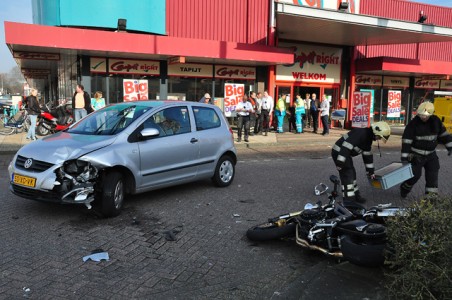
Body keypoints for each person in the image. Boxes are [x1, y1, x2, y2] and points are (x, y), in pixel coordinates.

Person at [400, 102, 452, 198]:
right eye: (421, 115)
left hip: (431, 155)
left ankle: (430, 199)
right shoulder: (412, 124)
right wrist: (404, 158)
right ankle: (404, 188)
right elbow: (406, 142)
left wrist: (450, 146)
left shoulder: (436, 122)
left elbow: (444, 136)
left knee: (432, 177)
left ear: (431, 114)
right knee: (414, 176)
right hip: (416, 155)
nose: (423, 117)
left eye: (425, 115)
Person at [332, 121, 391, 203]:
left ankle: (356, 196)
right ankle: (349, 201)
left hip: (345, 155)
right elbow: (346, 146)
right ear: (377, 132)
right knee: (347, 175)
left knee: (352, 173)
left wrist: (371, 172)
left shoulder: (368, 138)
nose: (379, 139)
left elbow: (367, 156)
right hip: (340, 153)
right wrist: (340, 162)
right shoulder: (361, 133)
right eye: (380, 137)